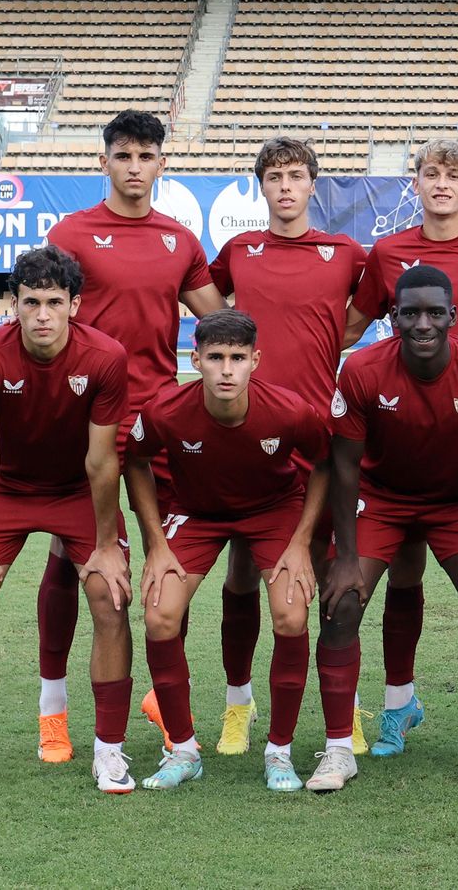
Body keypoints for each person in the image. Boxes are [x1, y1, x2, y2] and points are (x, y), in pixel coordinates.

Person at [137, 136, 367, 757]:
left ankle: (343, 710)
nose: (285, 187)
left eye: (296, 176)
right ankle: (239, 704)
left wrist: (324, 340)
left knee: (326, 576)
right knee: (242, 573)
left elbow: (359, 317)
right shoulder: (240, 251)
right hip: (239, 434)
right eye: (274, 177)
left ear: (313, 183)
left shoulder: (346, 253)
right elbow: (205, 305)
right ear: (260, 186)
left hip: (313, 436)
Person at [32, 109, 221, 764]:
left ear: (162, 164)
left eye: (145, 156)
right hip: (87, 422)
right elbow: (46, 322)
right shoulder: (71, 234)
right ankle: (52, 709)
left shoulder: (180, 241)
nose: (134, 167)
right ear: (104, 162)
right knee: (69, 560)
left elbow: (223, 320)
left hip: (162, 425)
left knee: (173, 563)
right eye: (123, 155)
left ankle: (165, 701)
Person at [343, 138, 458, 759]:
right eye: (430, 173)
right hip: (399, 436)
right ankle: (400, 704)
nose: (441, 183)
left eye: (453, 174)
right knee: (402, 575)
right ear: (415, 183)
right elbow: (353, 324)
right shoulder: (388, 252)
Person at [310, 265, 458, 792]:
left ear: (453, 315)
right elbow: (345, 467)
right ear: (393, 316)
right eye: (410, 313)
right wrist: (344, 557)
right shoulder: (362, 370)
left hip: (457, 502)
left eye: (434, 313)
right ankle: (338, 750)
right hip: (382, 499)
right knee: (340, 603)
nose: (422, 324)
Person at [0, 246, 134, 796]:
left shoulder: (106, 357)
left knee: (110, 597)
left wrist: (106, 544)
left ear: (75, 305)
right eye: (31, 303)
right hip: (8, 489)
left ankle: (109, 750)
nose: (42, 315)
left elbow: (102, 461)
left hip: (77, 490)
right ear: (14, 304)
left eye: (54, 302)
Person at [123, 309, 331, 793]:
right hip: (197, 512)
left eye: (238, 358)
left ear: (256, 360)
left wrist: (302, 541)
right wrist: (155, 544)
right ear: (195, 359)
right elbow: (135, 462)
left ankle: (279, 752)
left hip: (274, 510)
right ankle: (183, 750)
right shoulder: (165, 411)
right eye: (215, 357)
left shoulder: (289, 410)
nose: (227, 370)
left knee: (292, 615)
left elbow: (325, 463)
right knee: (160, 615)